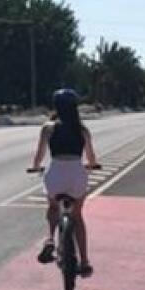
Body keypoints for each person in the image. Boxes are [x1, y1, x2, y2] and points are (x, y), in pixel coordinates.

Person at [29, 88, 100, 277]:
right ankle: (84, 261)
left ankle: (50, 239)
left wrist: (35, 167)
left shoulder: (48, 128)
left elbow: (39, 155)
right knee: (77, 215)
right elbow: (91, 158)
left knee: (53, 208)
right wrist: (92, 165)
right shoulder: (82, 130)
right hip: (76, 173)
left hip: (56, 173)